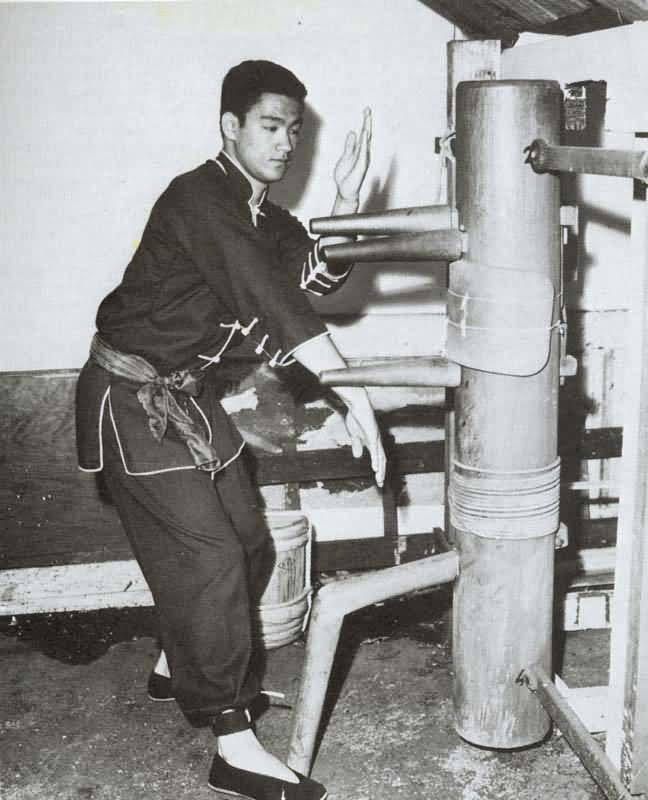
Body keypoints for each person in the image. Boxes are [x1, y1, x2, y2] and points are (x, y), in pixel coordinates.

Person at [75, 59, 385, 800]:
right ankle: (231, 743)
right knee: (211, 558)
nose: (286, 144)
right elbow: (276, 303)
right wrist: (355, 398)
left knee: (249, 538)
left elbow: (307, 278)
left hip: (187, 395)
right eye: (271, 127)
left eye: (294, 131)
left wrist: (344, 204)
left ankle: (175, 662)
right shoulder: (199, 199)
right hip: (132, 397)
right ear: (230, 126)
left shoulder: (264, 216)